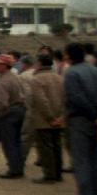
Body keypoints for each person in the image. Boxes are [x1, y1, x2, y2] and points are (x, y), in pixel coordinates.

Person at [61, 43, 97, 195]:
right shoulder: (96, 70)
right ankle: (96, 193)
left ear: (69, 56)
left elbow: (77, 98)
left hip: (81, 118)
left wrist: (91, 114)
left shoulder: (72, 73)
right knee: (96, 156)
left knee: (80, 157)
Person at [30, 54, 65, 185]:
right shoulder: (59, 78)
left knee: (45, 148)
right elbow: (65, 99)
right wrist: (60, 116)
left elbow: (41, 100)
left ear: (39, 63)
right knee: (57, 145)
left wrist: (50, 117)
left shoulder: (37, 79)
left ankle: (49, 174)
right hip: (59, 118)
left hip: (43, 119)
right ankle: (58, 173)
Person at [0, 54, 27, 179]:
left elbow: (2, 102)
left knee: (9, 142)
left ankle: (14, 169)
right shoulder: (15, 76)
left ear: (4, 66)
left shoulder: (3, 81)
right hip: (20, 109)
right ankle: (18, 166)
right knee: (17, 141)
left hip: (9, 112)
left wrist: (0, 114)